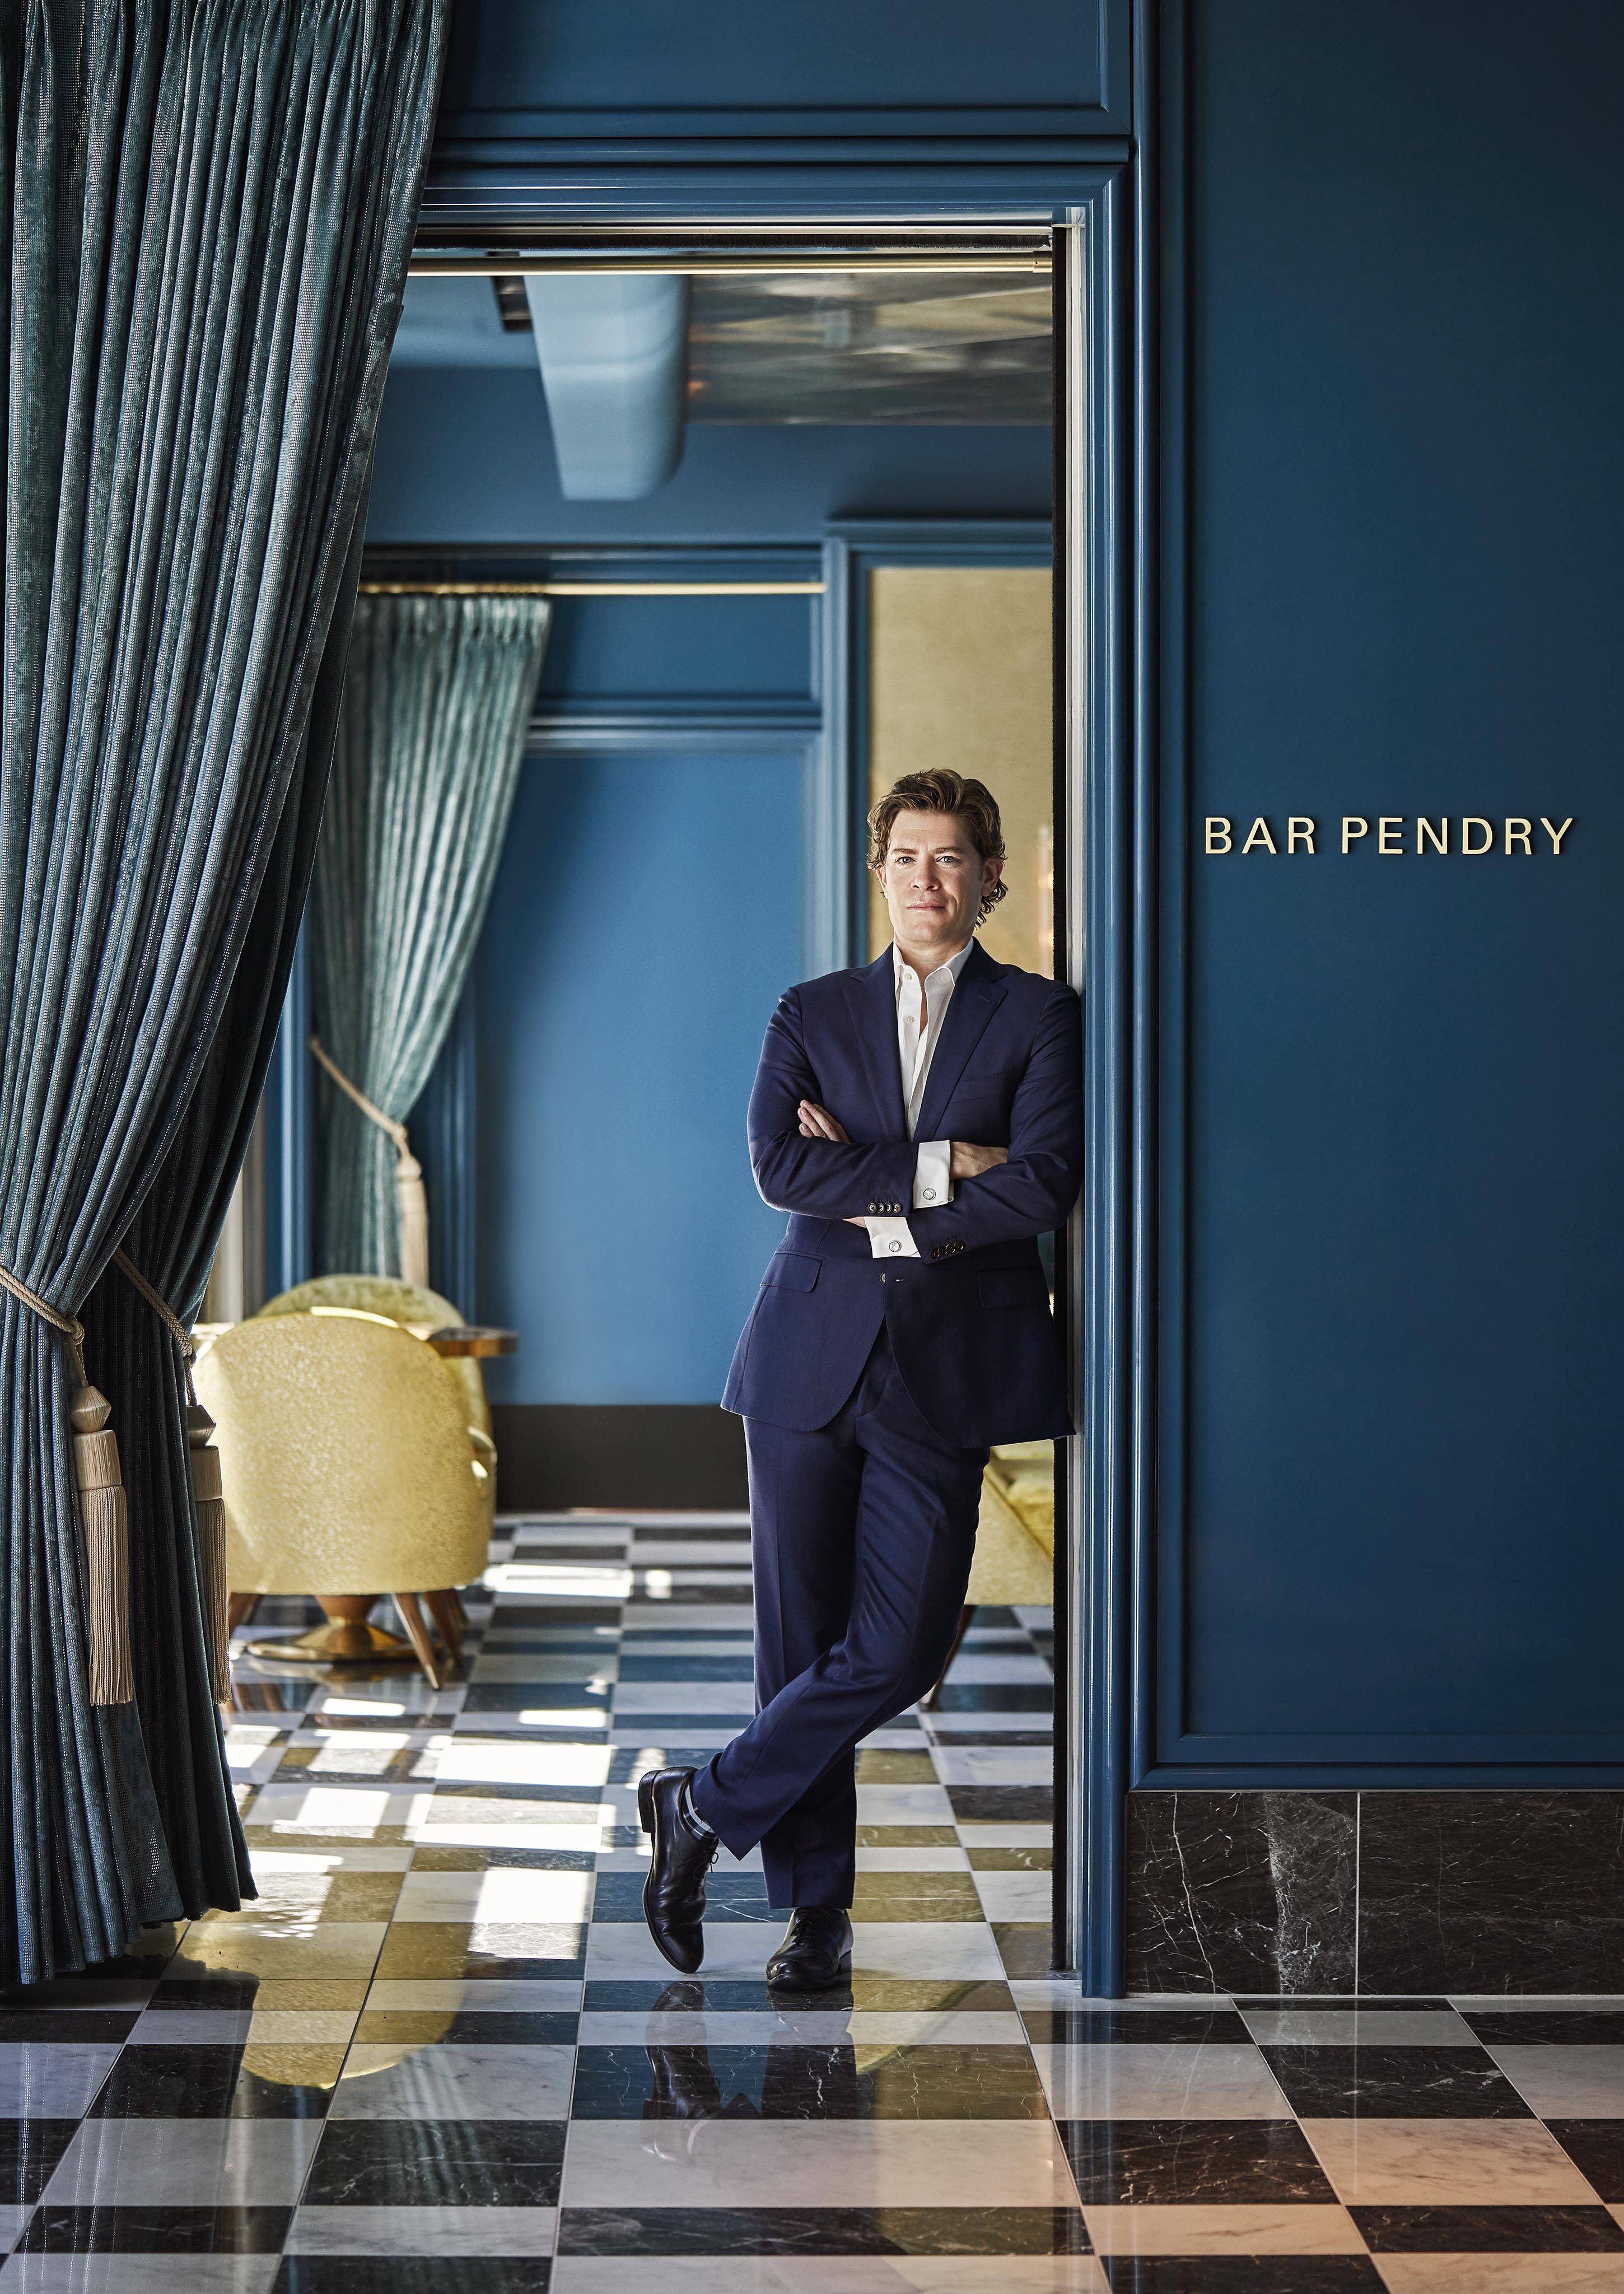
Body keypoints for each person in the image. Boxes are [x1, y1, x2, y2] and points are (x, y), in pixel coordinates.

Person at [638, 767, 1083, 1988]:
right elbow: (781, 1169)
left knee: (898, 1648)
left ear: (990, 876)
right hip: (804, 1359)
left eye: (950, 857)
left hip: (950, 1367)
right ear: (877, 872)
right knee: (797, 1645)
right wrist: (951, 1163)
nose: (926, 878)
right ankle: (815, 1915)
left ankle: (697, 1804)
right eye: (906, 856)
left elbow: (1045, 1183)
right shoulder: (812, 1010)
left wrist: (882, 1187)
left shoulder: (1041, 1015)